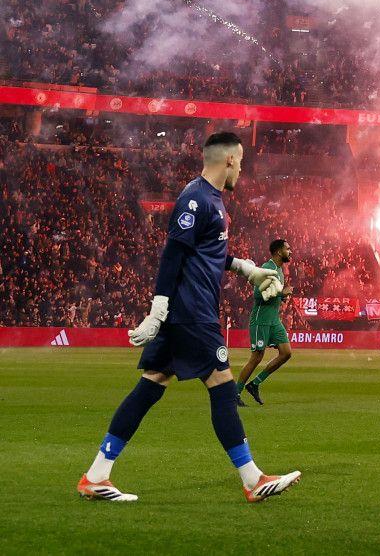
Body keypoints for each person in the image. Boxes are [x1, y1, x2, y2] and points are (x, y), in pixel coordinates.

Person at [76, 132, 302, 503]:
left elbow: (209, 252)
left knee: (151, 385)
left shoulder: (211, 200)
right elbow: (173, 254)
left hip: (188, 311)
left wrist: (245, 268)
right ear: (229, 159)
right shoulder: (196, 199)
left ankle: (97, 475)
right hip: (192, 312)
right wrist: (157, 310)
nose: (241, 169)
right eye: (241, 162)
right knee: (223, 386)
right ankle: (252, 479)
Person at [237, 238, 294, 406]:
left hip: (274, 320)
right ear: (279, 252)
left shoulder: (280, 270)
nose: (290, 251)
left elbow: (272, 293)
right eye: (287, 249)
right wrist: (281, 293)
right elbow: (257, 294)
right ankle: (235, 393)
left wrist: (281, 297)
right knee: (256, 357)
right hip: (261, 319)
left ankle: (255, 384)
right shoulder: (267, 268)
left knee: (286, 353)